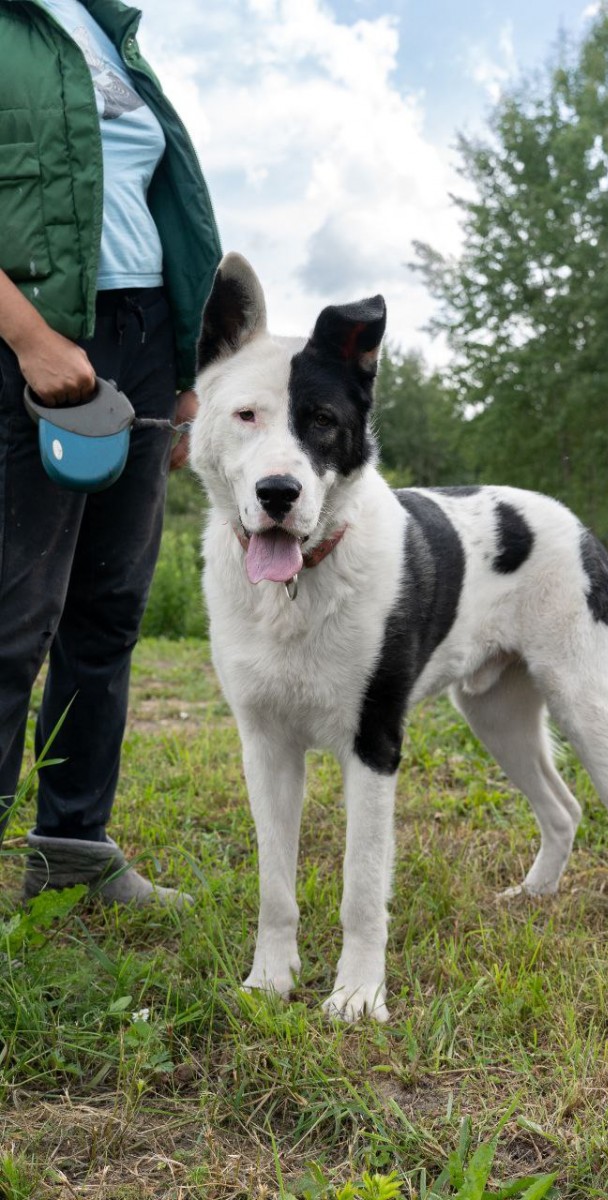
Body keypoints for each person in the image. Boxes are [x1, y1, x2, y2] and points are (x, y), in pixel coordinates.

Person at [0, 0, 221, 904]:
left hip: (143, 337)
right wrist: (30, 340)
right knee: (13, 616)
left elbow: (163, 203)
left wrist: (184, 366)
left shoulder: (109, 28)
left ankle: (72, 850)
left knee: (110, 608)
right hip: (35, 339)